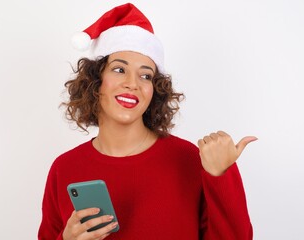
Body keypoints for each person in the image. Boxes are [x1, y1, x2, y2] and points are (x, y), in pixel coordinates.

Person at [38, 3, 257, 240]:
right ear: (95, 80)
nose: (133, 83)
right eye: (119, 69)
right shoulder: (64, 168)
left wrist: (221, 176)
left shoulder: (189, 160)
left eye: (146, 76)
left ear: (155, 89)